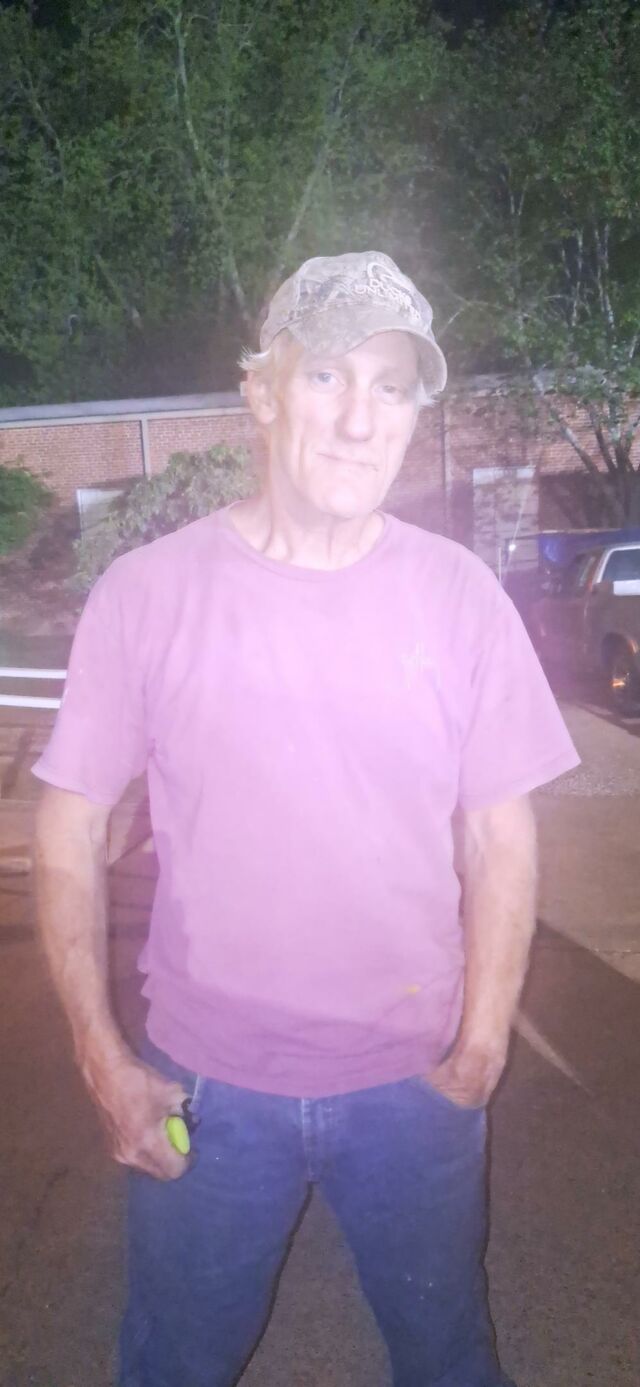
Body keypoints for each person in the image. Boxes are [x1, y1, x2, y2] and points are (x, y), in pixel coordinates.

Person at [33, 251, 579, 1387]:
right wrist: (100, 1054)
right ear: (261, 390)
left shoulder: (460, 598)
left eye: (392, 386)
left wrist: (485, 1039)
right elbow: (69, 827)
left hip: (413, 1087)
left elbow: (500, 833)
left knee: (449, 1356)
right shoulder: (148, 594)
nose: (359, 418)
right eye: (327, 374)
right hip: (207, 1087)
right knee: (172, 1366)